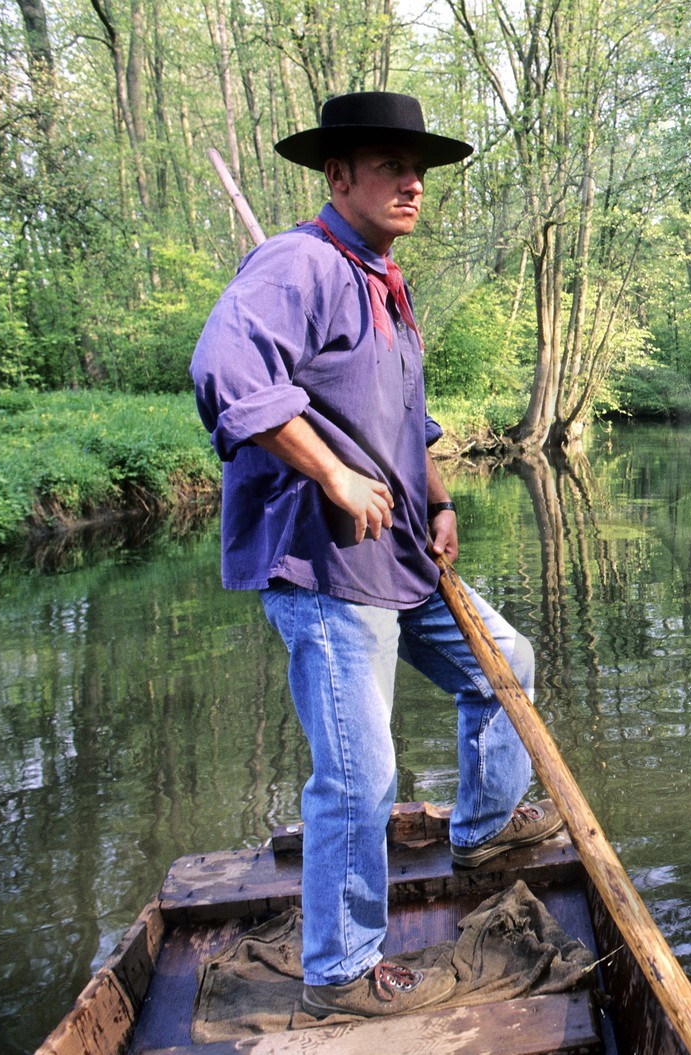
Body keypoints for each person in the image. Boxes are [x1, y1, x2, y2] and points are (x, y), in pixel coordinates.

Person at [190, 91, 563, 1019]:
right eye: (391, 166)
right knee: (360, 773)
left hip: (397, 554)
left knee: (504, 663)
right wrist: (332, 475)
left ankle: (483, 827)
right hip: (325, 565)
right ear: (338, 176)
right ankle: (341, 970)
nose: (412, 183)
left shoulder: (385, 284)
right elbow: (227, 373)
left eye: (420, 170)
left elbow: (404, 418)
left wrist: (438, 499)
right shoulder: (299, 264)